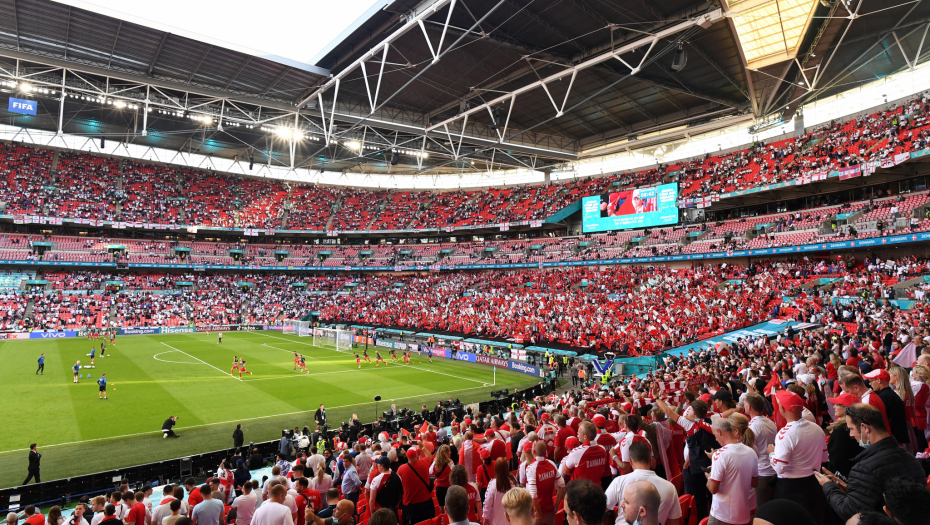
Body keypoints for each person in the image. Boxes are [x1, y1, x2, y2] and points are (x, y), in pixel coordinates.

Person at [814, 403, 926, 522]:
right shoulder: (911, 458)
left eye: (851, 429)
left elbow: (848, 510)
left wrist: (828, 486)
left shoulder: (865, 468)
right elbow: (875, 494)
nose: (851, 434)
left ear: (864, 428)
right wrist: (848, 487)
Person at [768, 390, 829, 525]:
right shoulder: (817, 428)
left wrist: (771, 453)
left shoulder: (785, 434)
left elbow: (780, 468)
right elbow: (824, 458)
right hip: (814, 484)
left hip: (791, 488)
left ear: (782, 409)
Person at [605, 441, 680, 525]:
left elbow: (600, 509)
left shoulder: (619, 481)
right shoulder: (670, 487)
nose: (622, 505)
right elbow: (674, 522)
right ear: (651, 460)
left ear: (630, 460)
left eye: (626, 502)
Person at [707, 414, 758, 525]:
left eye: (715, 434)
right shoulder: (751, 452)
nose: (715, 438)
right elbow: (754, 483)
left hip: (722, 515)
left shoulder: (720, 455)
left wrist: (709, 477)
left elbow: (712, 489)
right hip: (744, 513)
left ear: (719, 431)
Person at [864, 369, 910, 445]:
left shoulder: (884, 397)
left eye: (871, 381)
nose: (870, 384)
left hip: (891, 439)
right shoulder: (889, 394)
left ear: (878, 380)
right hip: (895, 438)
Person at [525, 440, 565, 525]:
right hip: (550, 511)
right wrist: (556, 506)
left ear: (533, 451)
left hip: (537, 513)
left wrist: (539, 513)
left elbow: (533, 494)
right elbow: (562, 485)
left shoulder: (531, 468)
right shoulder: (552, 464)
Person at [398, 446, 436, 525]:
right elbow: (430, 457)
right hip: (426, 503)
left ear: (407, 456)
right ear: (416, 455)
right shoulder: (424, 462)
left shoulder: (401, 469)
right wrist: (422, 446)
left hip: (410, 506)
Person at [483, 458, 515, 525]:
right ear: (507, 467)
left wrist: (485, 516)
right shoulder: (513, 480)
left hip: (496, 521)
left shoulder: (492, 484)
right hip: (511, 520)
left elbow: (487, 502)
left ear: (496, 469)